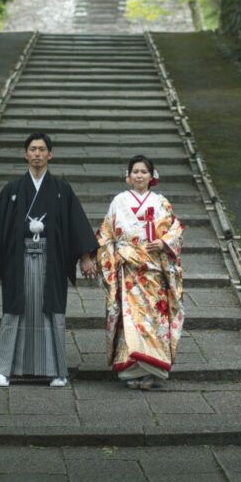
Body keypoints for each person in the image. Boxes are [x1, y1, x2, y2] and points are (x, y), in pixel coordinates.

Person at [0, 132, 98, 387]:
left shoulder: (62, 190)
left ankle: (57, 371)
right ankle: (4, 370)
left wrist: (86, 257)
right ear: (25, 154)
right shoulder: (12, 190)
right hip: (17, 261)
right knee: (14, 310)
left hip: (51, 261)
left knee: (51, 310)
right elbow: (0, 225)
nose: (37, 154)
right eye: (33, 149)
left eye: (42, 149)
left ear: (50, 154)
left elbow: (76, 225)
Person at [95, 155, 185, 390]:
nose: (139, 175)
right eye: (135, 171)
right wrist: (111, 255)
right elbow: (106, 233)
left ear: (151, 176)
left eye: (144, 171)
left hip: (154, 270)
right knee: (131, 319)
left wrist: (164, 242)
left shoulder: (161, 202)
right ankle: (132, 370)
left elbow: (175, 229)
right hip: (128, 269)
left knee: (154, 318)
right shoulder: (119, 201)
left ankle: (153, 371)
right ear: (128, 176)